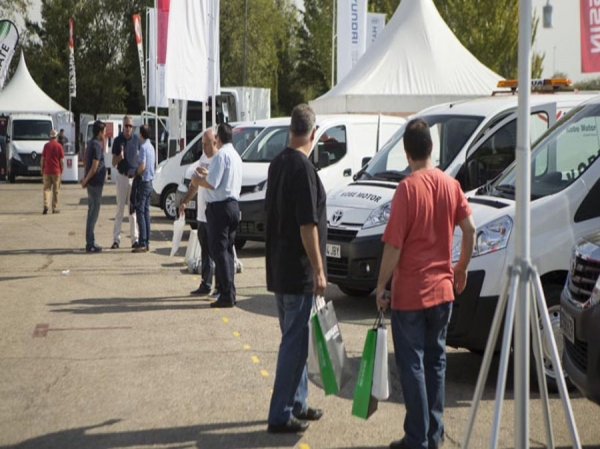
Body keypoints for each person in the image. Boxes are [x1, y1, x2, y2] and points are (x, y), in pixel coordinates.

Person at [375, 119, 476, 449]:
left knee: (413, 364)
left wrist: (380, 286)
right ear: (431, 148)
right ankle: (432, 435)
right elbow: (470, 229)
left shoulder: (407, 188)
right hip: (443, 291)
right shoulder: (450, 184)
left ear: (407, 153)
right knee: (436, 362)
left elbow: (393, 245)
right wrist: (460, 268)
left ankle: (417, 437)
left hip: (412, 293)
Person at [265, 104, 326, 434]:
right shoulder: (302, 168)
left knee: (297, 342)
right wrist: (318, 269)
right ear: (313, 133)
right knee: (293, 343)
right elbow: (307, 225)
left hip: (280, 267)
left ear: (291, 130)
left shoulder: (277, 163)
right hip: (297, 271)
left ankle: (298, 401)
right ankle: (281, 412)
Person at [192, 123, 242, 308]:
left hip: (220, 208)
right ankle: (230, 292)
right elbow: (219, 179)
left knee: (219, 251)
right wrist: (207, 175)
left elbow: (212, 183)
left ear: (218, 138)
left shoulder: (221, 155)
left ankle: (226, 293)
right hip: (233, 206)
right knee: (227, 250)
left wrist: (198, 180)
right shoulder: (235, 155)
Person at [179, 128, 220, 297]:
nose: (203, 148)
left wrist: (206, 176)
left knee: (217, 252)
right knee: (205, 251)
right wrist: (185, 201)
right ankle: (206, 283)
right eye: (202, 144)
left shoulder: (218, 159)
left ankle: (220, 286)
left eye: (206, 144)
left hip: (215, 213)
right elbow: (194, 185)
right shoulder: (203, 159)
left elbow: (217, 183)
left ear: (215, 142)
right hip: (202, 214)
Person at [110, 115, 140, 249]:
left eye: (130, 126)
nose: (128, 128)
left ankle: (135, 239)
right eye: (126, 126)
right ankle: (116, 239)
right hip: (122, 177)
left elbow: (139, 158)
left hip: (133, 178)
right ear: (123, 126)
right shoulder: (117, 141)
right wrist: (119, 157)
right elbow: (112, 163)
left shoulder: (136, 140)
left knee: (132, 211)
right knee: (120, 209)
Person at [80, 120, 107, 253]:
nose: (105, 134)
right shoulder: (96, 145)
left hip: (92, 183)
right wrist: (86, 180)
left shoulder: (91, 144)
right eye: (104, 132)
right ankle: (90, 243)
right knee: (93, 213)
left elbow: (87, 163)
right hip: (95, 184)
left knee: (92, 212)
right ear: (100, 132)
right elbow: (94, 166)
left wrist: (85, 179)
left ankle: (90, 241)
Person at [132, 125, 156, 253]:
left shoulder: (143, 147)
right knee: (146, 212)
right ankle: (146, 241)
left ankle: (142, 241)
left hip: (144, 181)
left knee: (140, 211)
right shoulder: (151, 147)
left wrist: (136, 173)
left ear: (141, 134)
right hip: (150, 182)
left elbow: (142, 165)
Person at [41, 129, 64, 214]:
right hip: (56, 171)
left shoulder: (46, 146)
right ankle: (54, 208)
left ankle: (46, 205)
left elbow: (42, 159)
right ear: (56, 137)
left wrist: (42, 169)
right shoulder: (59, 146)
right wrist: (62, 170)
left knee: (46, 189)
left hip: (47, 171)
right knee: (56, 190)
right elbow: (62, 160)